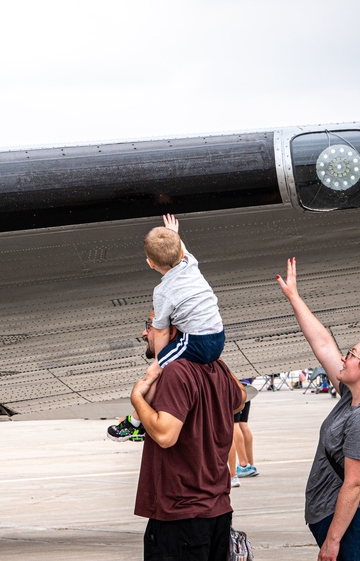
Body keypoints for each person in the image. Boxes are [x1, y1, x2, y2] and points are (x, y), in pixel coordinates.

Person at [276, 257, 360, 561]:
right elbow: (322, 343)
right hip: (343, 522)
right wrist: (294, 297)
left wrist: (332, 541)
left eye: (351, 354)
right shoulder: (353, 397)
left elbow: (355, 484)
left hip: (354, 528)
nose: (344, 358)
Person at [132, 313, 246, 560]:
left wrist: (137, 399)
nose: (144, 333)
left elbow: (165, 435)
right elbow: (240, 399)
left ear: (171, 331)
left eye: (150, 326)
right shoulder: (217, 367)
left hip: (181, 515)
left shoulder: (177, 372)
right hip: (217, 511)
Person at [108, 214, 225, 441]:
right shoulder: (190, 264)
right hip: (218, 336)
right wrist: (174, 234)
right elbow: (179, 249)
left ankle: (135, 423)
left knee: (154, 373)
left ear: (150, 263)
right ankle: (138, 421)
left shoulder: (162, 292)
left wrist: (159, 362)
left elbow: (160, 330)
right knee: (161, 368)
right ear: (181, 253)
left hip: (197, 342)